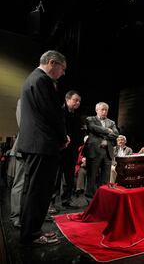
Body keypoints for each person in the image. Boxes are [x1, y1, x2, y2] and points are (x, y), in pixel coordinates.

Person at [17, 50, 69, 245]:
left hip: (33, 143)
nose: (62, 73)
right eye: (62, 69)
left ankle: (28, 230)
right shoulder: (43, 81)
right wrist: (63, 137)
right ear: (53, 63)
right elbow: (53, 113)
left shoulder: (31, 78)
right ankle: (32, 234)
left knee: (30, 190)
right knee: (39, 191)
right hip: (43, 144)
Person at [50, 90, 82, 211]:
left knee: (69, 178)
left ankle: (66, 200)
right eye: (75, 100)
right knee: (56, 178)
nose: (78, 103)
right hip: (60, 150)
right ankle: (51, 203)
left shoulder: (77, 115)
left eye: (79, 101)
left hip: (72, 151)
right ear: (67, 99)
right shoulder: (59, 112)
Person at [84, 102, 119, 198]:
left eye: (106, 110)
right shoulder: (90, 119)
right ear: (97, 110)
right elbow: (93, 128)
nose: (104, 111)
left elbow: (116, 134)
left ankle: (103, 196)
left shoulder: (111, 122)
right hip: (94, 151)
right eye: (102, 109)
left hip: (107, 151)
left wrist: (105, 137)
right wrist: (107, 130)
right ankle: (89, 197)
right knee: (92, 176)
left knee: (105, 177)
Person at [9, 99, 24, 228]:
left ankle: (25, 214)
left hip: (38, 148)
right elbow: (23, 124)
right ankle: (16, 216)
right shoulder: (23, 99)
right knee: (20, 183)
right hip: (25, 147)